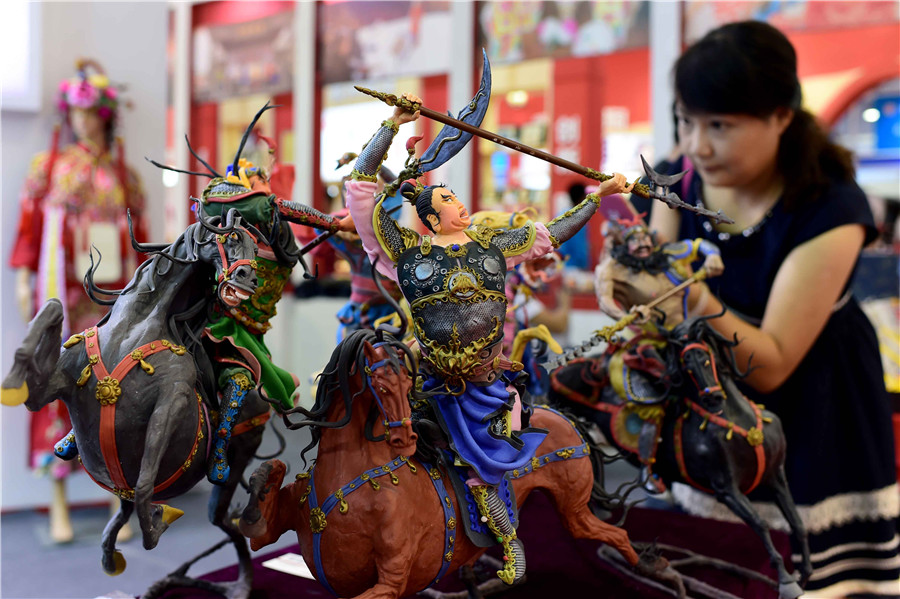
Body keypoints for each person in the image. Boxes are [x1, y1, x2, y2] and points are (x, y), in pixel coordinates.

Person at [648, 21, 899, 596]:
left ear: (781, 115)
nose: (696, 145)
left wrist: (683, 296)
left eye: (720, 125)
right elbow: (654, 295)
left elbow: (773, 363)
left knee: (812, 581)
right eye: (686, 120)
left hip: (814, 418)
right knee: (707, 574)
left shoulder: (831, 207)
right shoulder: (678, 180)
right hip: (709, 414)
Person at [345, 93, 633, 584]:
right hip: (425, 379)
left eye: (453, 196)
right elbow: (359, 189)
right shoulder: (407, 251)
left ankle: (507, 541)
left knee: (484, 469)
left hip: (484, 388)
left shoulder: (493, 245)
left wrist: (595, 198)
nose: (457, 202)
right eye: (446, 201)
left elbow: (553, 234)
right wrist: (392, 126)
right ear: (430, 219)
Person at [10, 60, 146, 544]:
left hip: (109, 294)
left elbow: (139, 236)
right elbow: (30, 227)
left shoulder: (124, 174)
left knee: (115, 386)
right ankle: (58, 502)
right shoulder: (52, 167)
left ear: (105, 117)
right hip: (64, 292)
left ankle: (116, 495)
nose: (82, 122)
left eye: (91, 114)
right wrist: (25, 276)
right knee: (57, 384)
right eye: (76, 113)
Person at [593, 214, 722, 480]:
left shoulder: (669, 255)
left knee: (714, 372)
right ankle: (649, 467)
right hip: (649, 341)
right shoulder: (613, 268)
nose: (642, 244)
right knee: (653, 398)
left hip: (684, 335)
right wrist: (626, 316)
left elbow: (700, 245)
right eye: (634, 240)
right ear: (624, 245)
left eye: (645, 238)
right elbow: (605, 300)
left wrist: (712, 256)